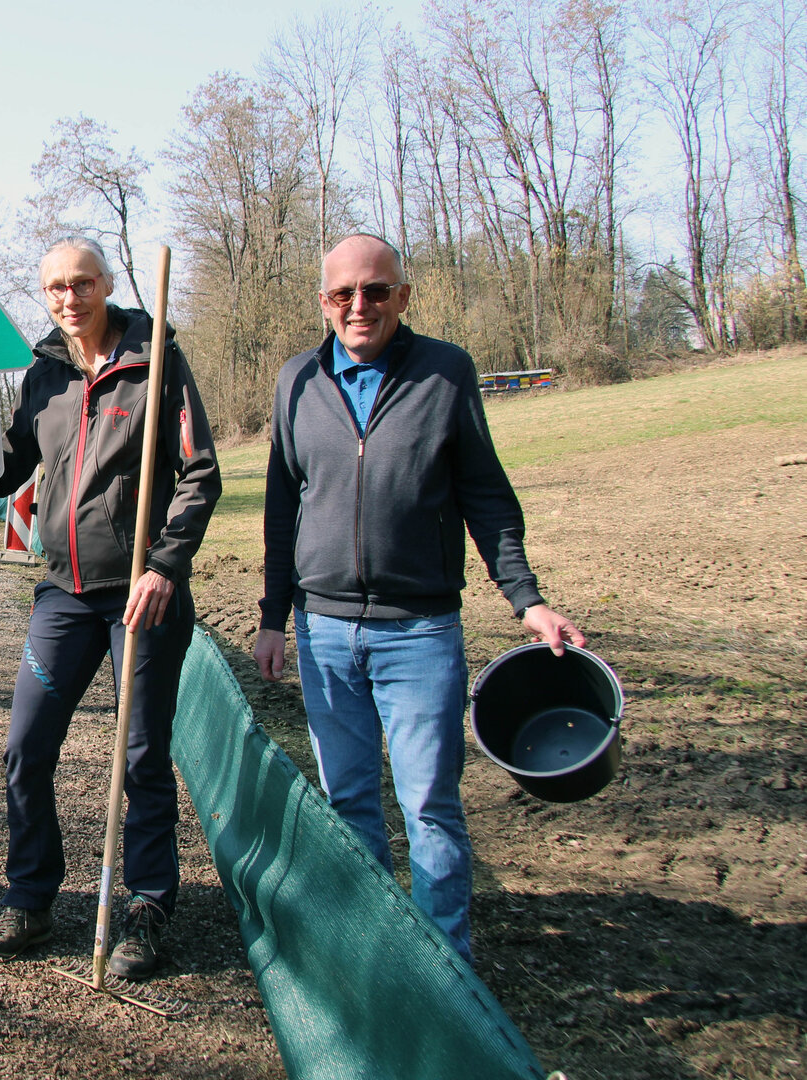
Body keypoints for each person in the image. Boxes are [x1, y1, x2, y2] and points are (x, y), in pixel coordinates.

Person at [253, 233, 585, 964]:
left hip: (420, 633)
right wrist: (273, 617)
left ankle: (445, 973)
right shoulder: (295, 381)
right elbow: (283, 505)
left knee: (429, 808)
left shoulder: (445, 372)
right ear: (324, 302)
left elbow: (484, 493)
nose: (359, 306)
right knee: (347, 807)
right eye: (343, 294)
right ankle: (374, 959)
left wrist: (525, 599)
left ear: (402, 294)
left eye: (375, 290)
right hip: (322, 632)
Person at [0, 237, 220, 979]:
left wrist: (164, 567)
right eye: (54, 287)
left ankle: (145, 908)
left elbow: (199, 475)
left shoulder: (155, 360)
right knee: (25, 747)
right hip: (63, 594)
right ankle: (30, 898)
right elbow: (7, 469)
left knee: (141, 755)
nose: (68, 297)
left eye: (82, 283)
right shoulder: (44, 373)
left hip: (141, 595)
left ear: (107, 284)